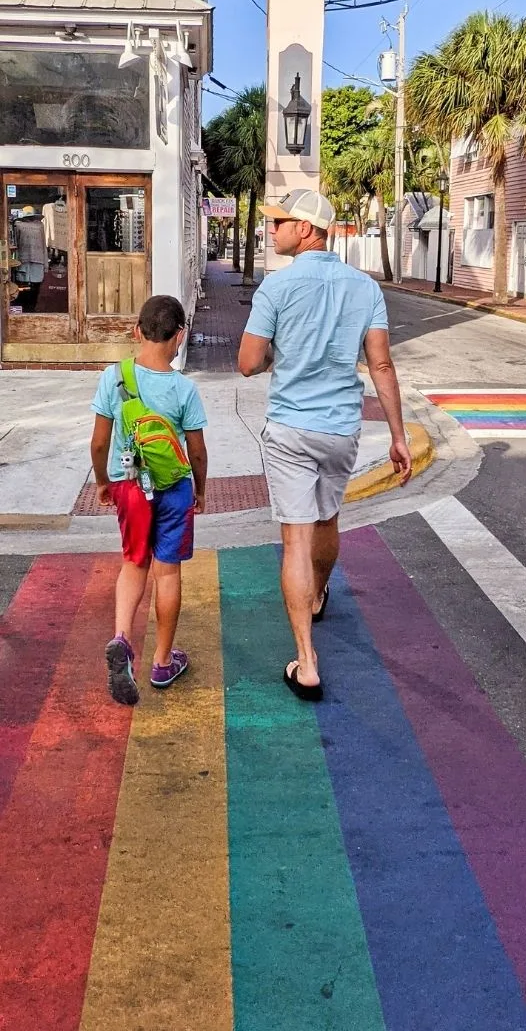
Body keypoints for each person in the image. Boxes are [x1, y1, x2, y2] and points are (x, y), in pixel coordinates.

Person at [237, 188, 412, 703]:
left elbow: (248, 362)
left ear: (307, 229)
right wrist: (398, 437)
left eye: (280, 223)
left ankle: (307, 662)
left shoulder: (276, 288)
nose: (272, 231)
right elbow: (380, 364)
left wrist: (280, 357)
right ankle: (315, 598)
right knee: (327, 518)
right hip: (341, 428)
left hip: (291, 427)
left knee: (295, 539)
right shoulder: (365, 289)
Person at [90, 295, 208, 707]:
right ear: (180, 336)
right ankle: (162, 662)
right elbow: (196, 450)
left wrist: (105, 482)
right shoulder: (184, 388)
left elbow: (100, 440)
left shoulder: (115, 378)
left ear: (137, 331)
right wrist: (201, 487)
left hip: (130, 485)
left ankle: (122, 638)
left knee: (133, 562)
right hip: (173, 486)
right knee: (168, 572)